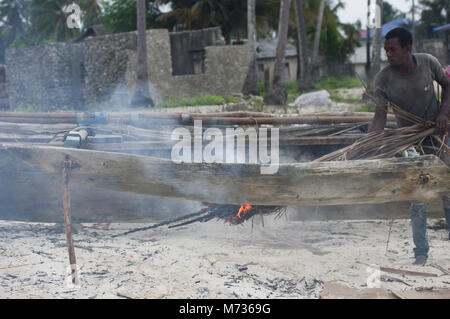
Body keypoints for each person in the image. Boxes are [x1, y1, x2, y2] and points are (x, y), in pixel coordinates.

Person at [368, 27, 450, 266]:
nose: (388, 55)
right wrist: (370, 144)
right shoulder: (383, 79)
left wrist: (444, 113)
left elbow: (448, 85)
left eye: (393, 50)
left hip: (439, 134)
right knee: (419, 196)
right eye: (386, 51)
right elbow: (379, 118)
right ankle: (421, 253)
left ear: (407, 49)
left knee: (448, 190)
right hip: (410, 141)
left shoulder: (428, 63)